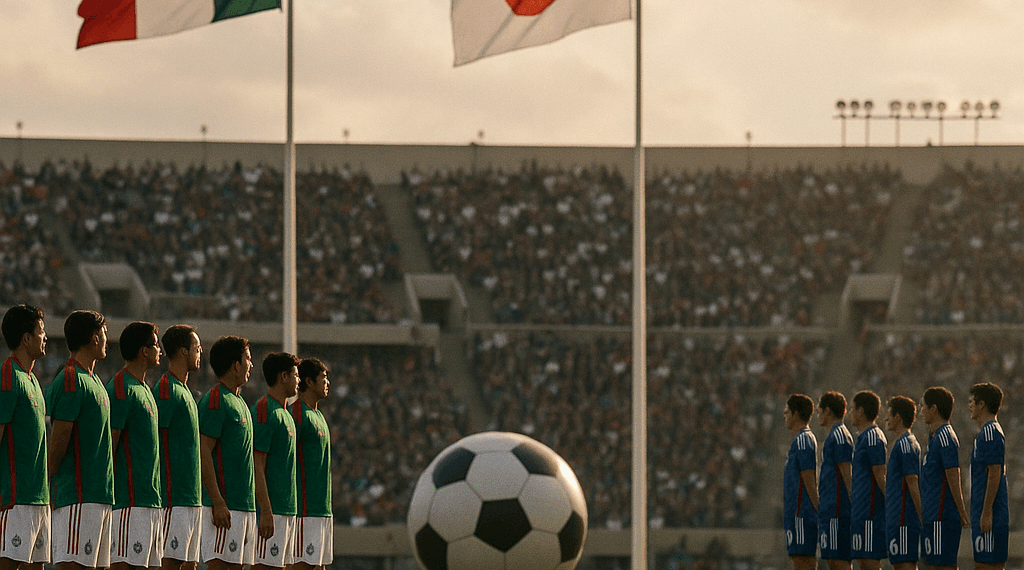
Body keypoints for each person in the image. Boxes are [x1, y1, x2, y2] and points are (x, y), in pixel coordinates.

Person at [46, 310, 114, 570]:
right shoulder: (72, 378)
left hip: (100, 495)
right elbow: (60, 437)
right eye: (105, 334)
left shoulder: (93, 379)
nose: (108, 339)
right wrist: (48, 484)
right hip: (78, 495)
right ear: (95, 338)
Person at [107, 322, 164, 570]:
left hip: (151, 500)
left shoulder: (145, 388)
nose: (159, 349)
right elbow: (110, 444)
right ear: (143, 350)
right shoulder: (121, 387)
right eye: (155, 344)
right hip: (129, 500)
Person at [198, 336, 256, 570]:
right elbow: (203, 450)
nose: (251, 365)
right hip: (226, 507)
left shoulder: (239, 401)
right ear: (235, 365)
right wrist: (218, 502)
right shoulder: (216, 399)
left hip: (244, 505)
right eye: (248, 359)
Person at [0, 305, 50, 570]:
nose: (45, 337)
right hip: (14, 498)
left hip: (38, 497)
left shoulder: (31, 379)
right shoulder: (8, 375)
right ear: (26, 338)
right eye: (41, 332)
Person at [153, 325, 204, 570]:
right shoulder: (166, 390)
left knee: (189, 564)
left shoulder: (186, 392)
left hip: (192, 497)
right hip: (173, 496)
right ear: (183, 351)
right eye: (196, 347)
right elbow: (155, 442)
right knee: (170, 563)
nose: (200, 352)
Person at [251, 353, 299, 570]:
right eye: (295, 375)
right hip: (272, 511)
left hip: (287, 510)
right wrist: (266, 511)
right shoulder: (265, 410)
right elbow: (257, 464)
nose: (298, 380)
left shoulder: (286, 413)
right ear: (283, 376)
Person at [919, 387, 969, 570]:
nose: (920, 410)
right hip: (932, 515)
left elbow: (954, 474)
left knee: (944, 566)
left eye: (923, 406)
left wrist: (961, 510)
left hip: (942, 516)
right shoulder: (934, 438)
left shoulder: (946, 436)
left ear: (934, 408)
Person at [291, 358, 333, 570]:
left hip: (322, 508)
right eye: (323, 378)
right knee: (302, 565)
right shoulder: (297, 414)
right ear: (308, 381)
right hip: (304, 510)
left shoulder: (319, 416)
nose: (327, 383)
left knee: (319, 566)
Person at [968, 382, 1008, 570]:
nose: (969, 406)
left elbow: (995, 472)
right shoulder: (984, 433)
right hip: (984, 510)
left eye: (971, 402)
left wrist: (986, 511)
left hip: (991, 512)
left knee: (986, 565)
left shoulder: (991, 432)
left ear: (981, 404)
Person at [849, 390, 886, 570]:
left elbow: (880, 474)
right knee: (863, 561)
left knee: (870, 562)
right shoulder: (862, 437)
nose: (850, 413)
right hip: (860, 510)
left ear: (861, 411)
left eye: (853, 409)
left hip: (871, 511)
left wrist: (891, 504)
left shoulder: (873, 437)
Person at [818, 391, 853, 570]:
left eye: (820, 410)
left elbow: (847, 474)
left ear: (828, 411)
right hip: (830, 508)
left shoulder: (839, 435)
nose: (818, 414)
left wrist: (854, 507)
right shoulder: (833, 435)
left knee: (838, 561)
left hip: (838, 509)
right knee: (833, 560)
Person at [885, 396, 921, 570]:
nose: (886, 419)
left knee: (905, 565)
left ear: (898, 417)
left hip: (904, 518)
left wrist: (922, 515)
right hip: (896, 517)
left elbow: (912, 481)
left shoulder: (906, 443)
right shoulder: (901, 442)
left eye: (889, 414)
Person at [783, 393, 818, 570]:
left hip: (801, 513)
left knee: (803, 562)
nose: (785, 417)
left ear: (796, 414)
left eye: (787, 413)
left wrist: (817, 507)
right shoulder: (798, 440)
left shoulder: (804, 439)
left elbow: (808, 477)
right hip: (795, 513)